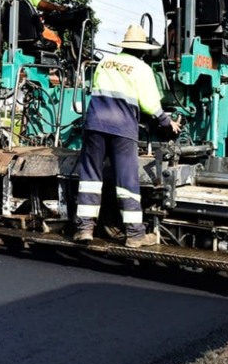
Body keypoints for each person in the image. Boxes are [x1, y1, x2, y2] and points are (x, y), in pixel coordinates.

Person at [75, 25, 182, 248]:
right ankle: (135, 234)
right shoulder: (142, 69)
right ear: (142, 50)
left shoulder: (104, 63)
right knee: (126, 180)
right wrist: (167, 123)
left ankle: (84, 228)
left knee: (90, 178)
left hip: (94, 124)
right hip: (122, 129)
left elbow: (96, 90)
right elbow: (150, 104)